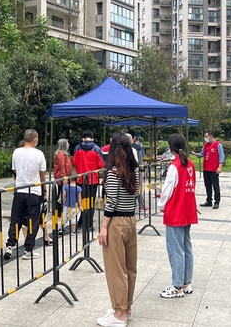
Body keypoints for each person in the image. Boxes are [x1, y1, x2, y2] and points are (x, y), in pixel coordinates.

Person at [97, 134, 139, 327]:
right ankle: (127, 307)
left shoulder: (113, 173)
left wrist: (104, 227)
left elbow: (111, 201)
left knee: (116, 269)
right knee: (130, 267)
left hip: (116, 221)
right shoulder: (134, 172)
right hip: (131, 219)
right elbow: (135, 196)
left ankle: (119, 313)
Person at [157, 133, 198, 299]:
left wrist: (161, 205)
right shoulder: (190, 164)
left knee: (175, 249)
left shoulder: (175, 166)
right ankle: (186, 282)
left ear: (170, 147)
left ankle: (177, 285)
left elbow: (167, 189)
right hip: (188, 208)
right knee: (186, 246)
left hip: (176, 210)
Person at [4, 129, 47, 260]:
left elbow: (15, 170)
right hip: (34, 191)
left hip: (20, 190)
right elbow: (42, 174)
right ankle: (28, 250)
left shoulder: (16, 152)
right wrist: (44, 189)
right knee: (33, 221)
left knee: (16, 219)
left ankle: (10, 245)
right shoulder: (39, 154)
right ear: (35, 140)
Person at [73, 130, 105, 230]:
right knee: (91, 202)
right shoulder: (97, 149)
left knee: (81, 201)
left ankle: (80, 221)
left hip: (80, 179)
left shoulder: (77, 148)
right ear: (92, 139)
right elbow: (101, 164)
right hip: (92, 179)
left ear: (83, 138)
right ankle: (89, 224)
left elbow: (74, 161)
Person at [191, 131, 225, 209]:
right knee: (207, 186)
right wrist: (194, 153)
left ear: (211, 136)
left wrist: (219, 167)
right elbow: (201, 154)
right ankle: (209, 200)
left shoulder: (218, 145)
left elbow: (221, 157)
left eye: (206, 137)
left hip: (214, 169)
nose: (205, 139)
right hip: (206, 168)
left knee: (215, 186)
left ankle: (217, 201)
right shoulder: (206, 145)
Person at [53, 139, 73, 233]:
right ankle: (60, 220)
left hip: (64, 178)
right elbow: (62, 166)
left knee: (62, 197)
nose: (68, 144)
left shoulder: (63, 154)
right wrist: (64, 177)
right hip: (62, 179)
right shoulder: (61, 154)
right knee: (62, 198)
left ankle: (62, 220)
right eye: (67, 143)